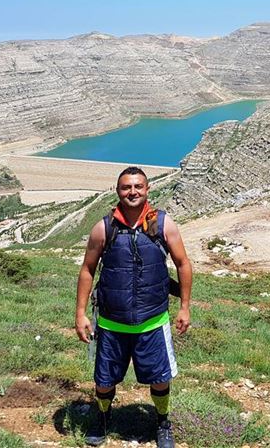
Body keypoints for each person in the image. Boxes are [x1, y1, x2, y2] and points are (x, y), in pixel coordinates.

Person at [75, 166, 192, 447]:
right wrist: (80, 314)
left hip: (152, 321)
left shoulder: (163, 224)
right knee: (104, 380)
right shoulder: (104, 228)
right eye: (126, 187)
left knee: (160, 379)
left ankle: (162, 422)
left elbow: (183, 264)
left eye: (138, 186)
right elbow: (88, 270)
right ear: (118, 191)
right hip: (111, 323)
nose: (133, 192)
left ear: (147, 189)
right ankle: (103, 419)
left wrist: (185, 307)